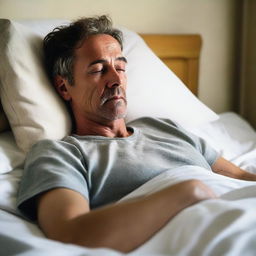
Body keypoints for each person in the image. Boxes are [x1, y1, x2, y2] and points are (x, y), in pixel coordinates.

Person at [17, 15, 256, 253]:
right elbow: (69, 232)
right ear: (63, 86)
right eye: (99, 70)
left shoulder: (165, 127)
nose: (116, 79)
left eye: (120, 67)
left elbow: (241, 178)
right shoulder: (62, 153)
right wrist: (187, 192)